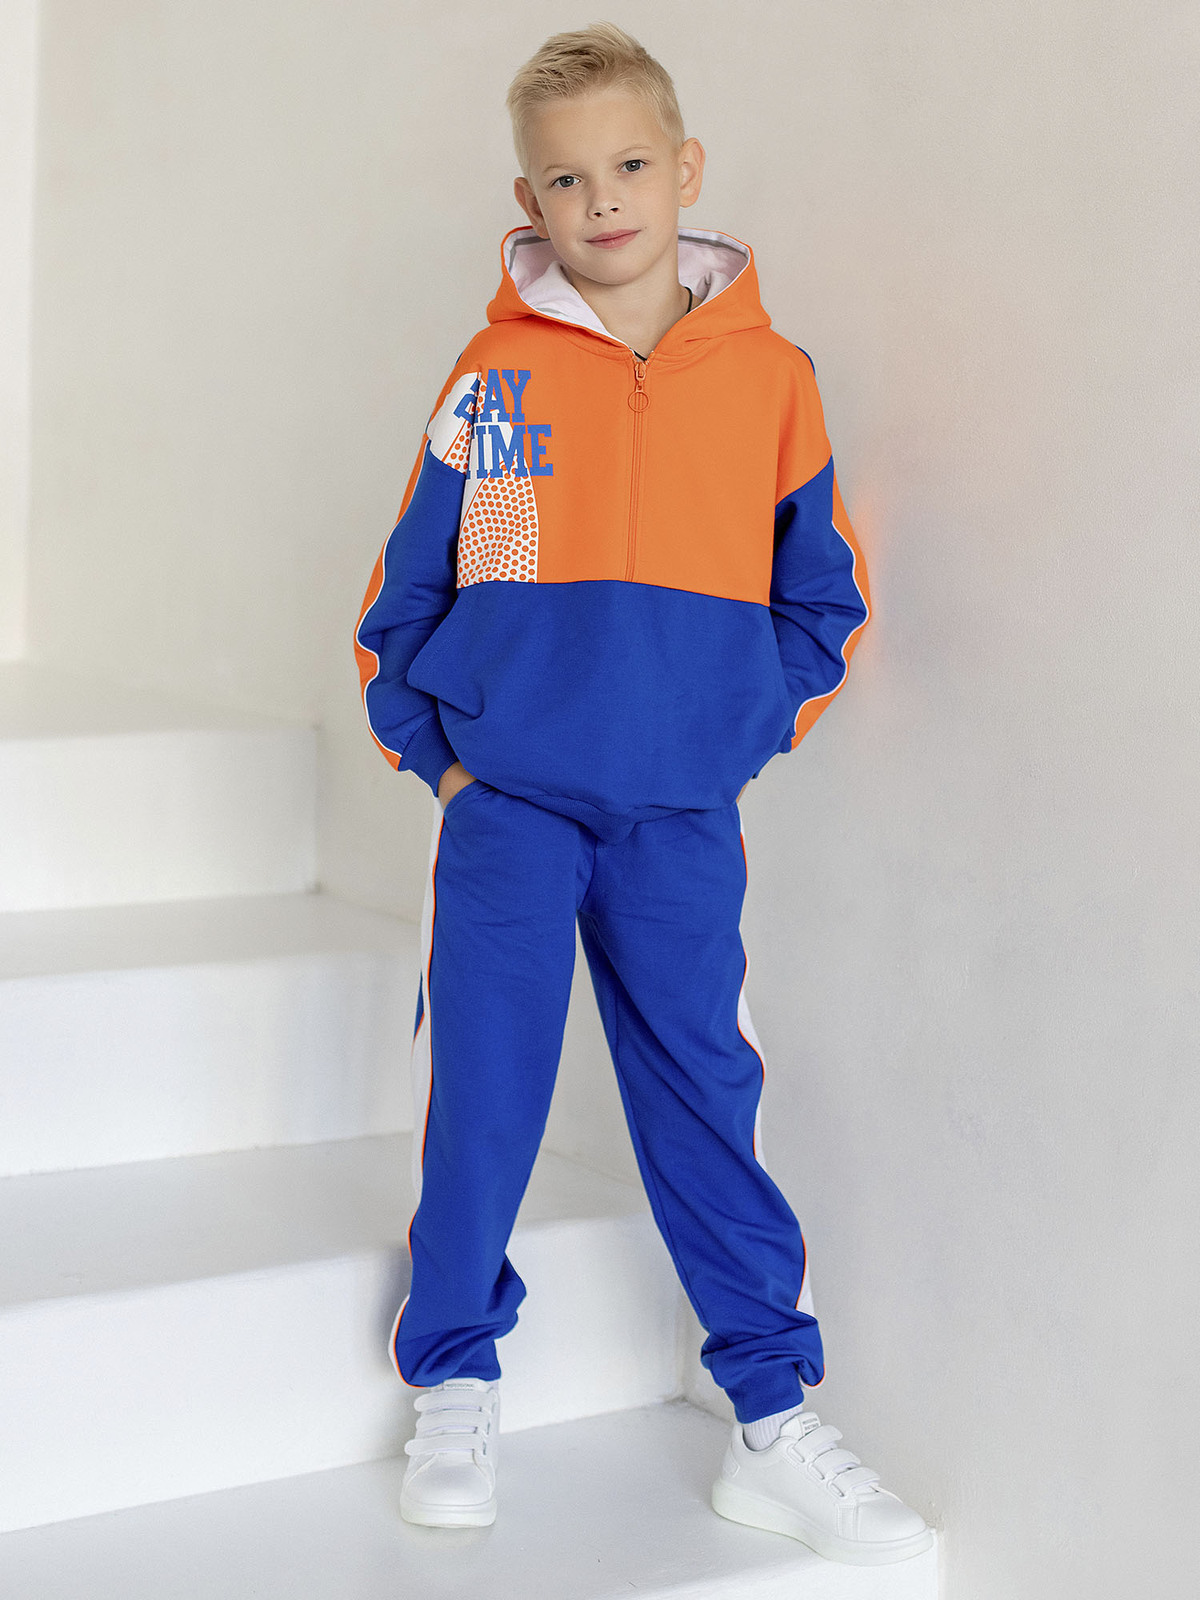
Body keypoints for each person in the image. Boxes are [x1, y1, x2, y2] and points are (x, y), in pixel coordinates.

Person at [353, 21, 931, 1566]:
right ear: (527, 200)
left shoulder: (772, 384)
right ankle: (455, 1374)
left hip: (678, 818)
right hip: (512, 812)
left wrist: (729, 736)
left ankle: (772, 1417)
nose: (600, 199)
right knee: (488, 1095)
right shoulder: (497, 380)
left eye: (626, 166)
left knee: (704, 1096)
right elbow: (420, 594)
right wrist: (456, 758)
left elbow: (822, 605)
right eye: (564, 178)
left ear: (685, 171)